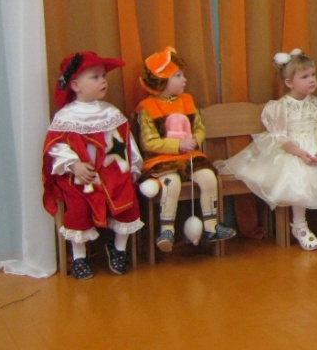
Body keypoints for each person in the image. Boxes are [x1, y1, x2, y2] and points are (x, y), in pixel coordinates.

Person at [218, 50, 317, 251]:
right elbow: (281, 138)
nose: (311, 80)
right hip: (293, 151)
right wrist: (301, 153)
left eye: (313, 75)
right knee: (297, 179)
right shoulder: (279, 107)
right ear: (289, 82)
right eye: (305, 77)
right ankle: (299, 225)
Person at [42, 52, 144, 280]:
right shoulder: (66, 117)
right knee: (78, 209)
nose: (103, 81)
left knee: (127, 201)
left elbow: (126, 144)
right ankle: (79, 256)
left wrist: (133, 168)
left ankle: (118, 248)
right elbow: (55, 147)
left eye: (103, 76)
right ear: (76, 85)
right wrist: (74, 165)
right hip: (80, 178)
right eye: (95, 77)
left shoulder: (110, 112)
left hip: (111, 175)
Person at [135, 46, 236, 251]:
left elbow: (199, 127)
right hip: (161, 160)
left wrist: (194, 140)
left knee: (208, 177)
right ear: (161, 81)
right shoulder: (147, 108)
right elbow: (148, 142)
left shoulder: (187, 101)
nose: (184, 80)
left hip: (191, 156)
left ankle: (210, 226)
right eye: (178, 76)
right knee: (171, 184)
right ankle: (167, 230)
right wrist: (177, 145)